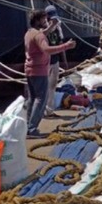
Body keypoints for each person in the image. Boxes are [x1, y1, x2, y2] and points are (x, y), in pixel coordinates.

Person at [24, 9, 76, 138]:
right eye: (43, 19)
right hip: (39, 70)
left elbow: (41, 35)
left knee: (32, 99)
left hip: (30, 69)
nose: (45, 21)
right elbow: (46, 49)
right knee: (41, 99)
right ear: (37, 20)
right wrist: (66, 46)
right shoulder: (39, 35)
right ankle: (32, 128)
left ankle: (26, 127)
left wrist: (52, 26)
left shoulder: (30, 33)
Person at [43, 5, 68, 118]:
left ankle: (49, 110)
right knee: (44, 86)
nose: (54, 20)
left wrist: (65, 62)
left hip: (55, 61)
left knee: (52, 86)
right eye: (51, 18)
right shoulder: (43, 28)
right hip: (45, 62)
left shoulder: (58, 28)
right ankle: (42, 110)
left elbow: (60, 44)